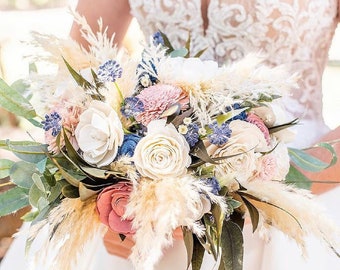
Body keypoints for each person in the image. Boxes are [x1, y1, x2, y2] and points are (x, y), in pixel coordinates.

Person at [1, 1, 339, 269]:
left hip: (304, 167)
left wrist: (291, 179)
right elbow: (76, 72)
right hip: (148, 166)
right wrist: (111, 189)